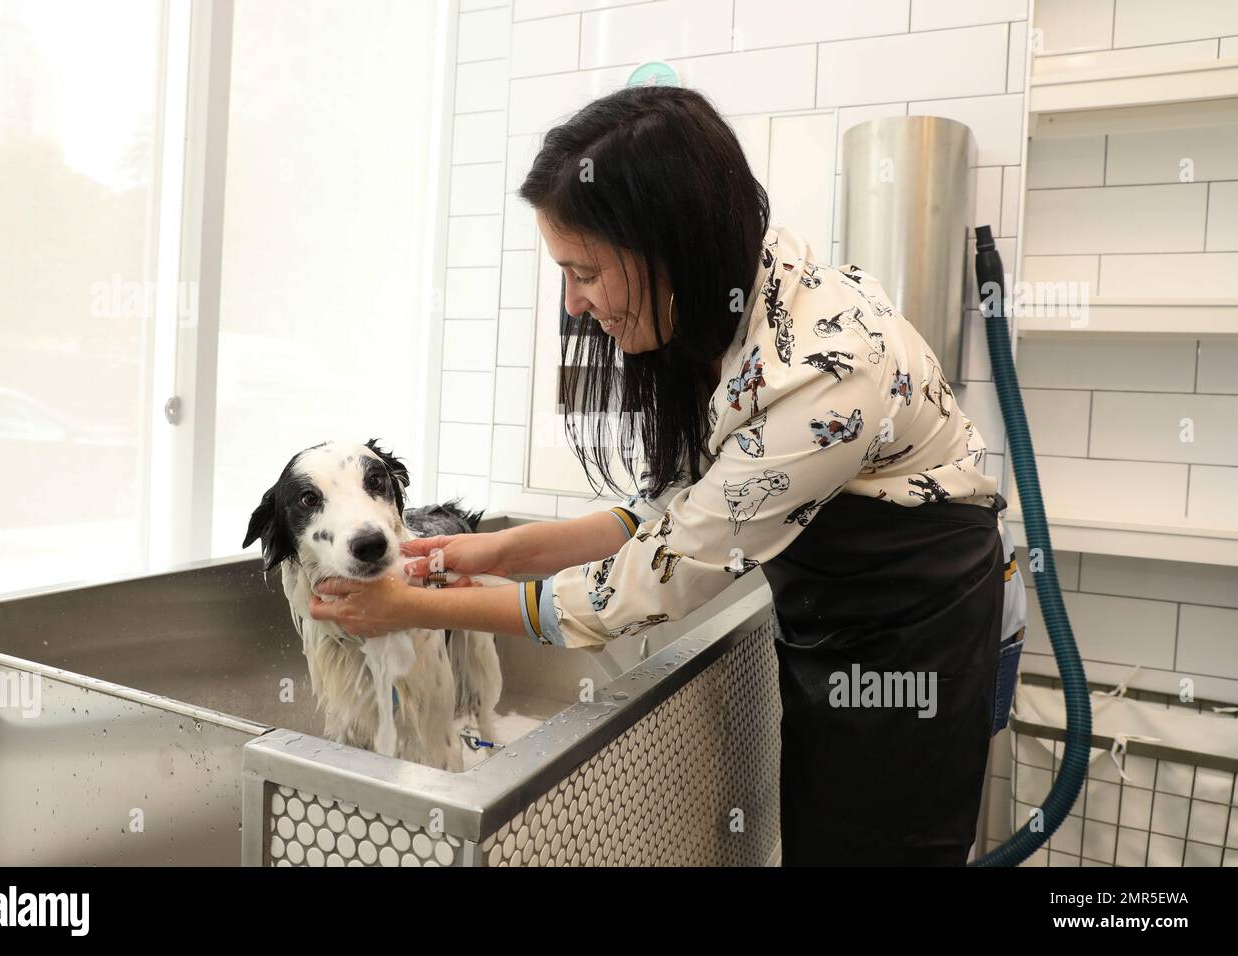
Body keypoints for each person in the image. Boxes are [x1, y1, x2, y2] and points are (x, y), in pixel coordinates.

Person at [311, 85, 1020, 865]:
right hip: (837, 621)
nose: (575, 305)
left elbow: (646, 585)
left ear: (668, 247)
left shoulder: (825, 371)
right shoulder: (732, 304)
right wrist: (484, 553)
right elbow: (667, 509)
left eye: (584, 272)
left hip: (915, 638)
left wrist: (408, 606)